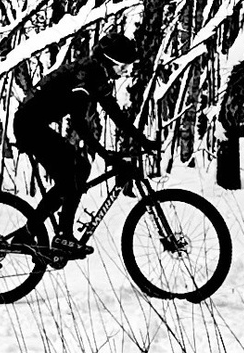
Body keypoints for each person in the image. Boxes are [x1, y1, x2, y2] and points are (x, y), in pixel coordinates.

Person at [15, 30, 150, 259]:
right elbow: (78, 121)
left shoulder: (97, 75)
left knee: (81, 169)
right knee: (71, 174)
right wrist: (105, 155)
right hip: (30, 126)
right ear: (110, 62)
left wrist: (142, 139)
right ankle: (63, 236)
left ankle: (31, 231)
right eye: (122, 67)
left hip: (34, 124)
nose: (124, 72)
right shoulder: (85, 75)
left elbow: (114, 112)